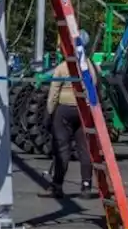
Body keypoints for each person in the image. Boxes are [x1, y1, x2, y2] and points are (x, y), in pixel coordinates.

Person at [39, 30, 97, 201]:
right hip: (85, 111)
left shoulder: (62, 68)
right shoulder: (91, 67)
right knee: (85, 150)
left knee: (62, 149)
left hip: (64, 109)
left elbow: (53, 94)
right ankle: (86, 186)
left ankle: (57, 186)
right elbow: (95, 89)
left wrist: (49, 114)